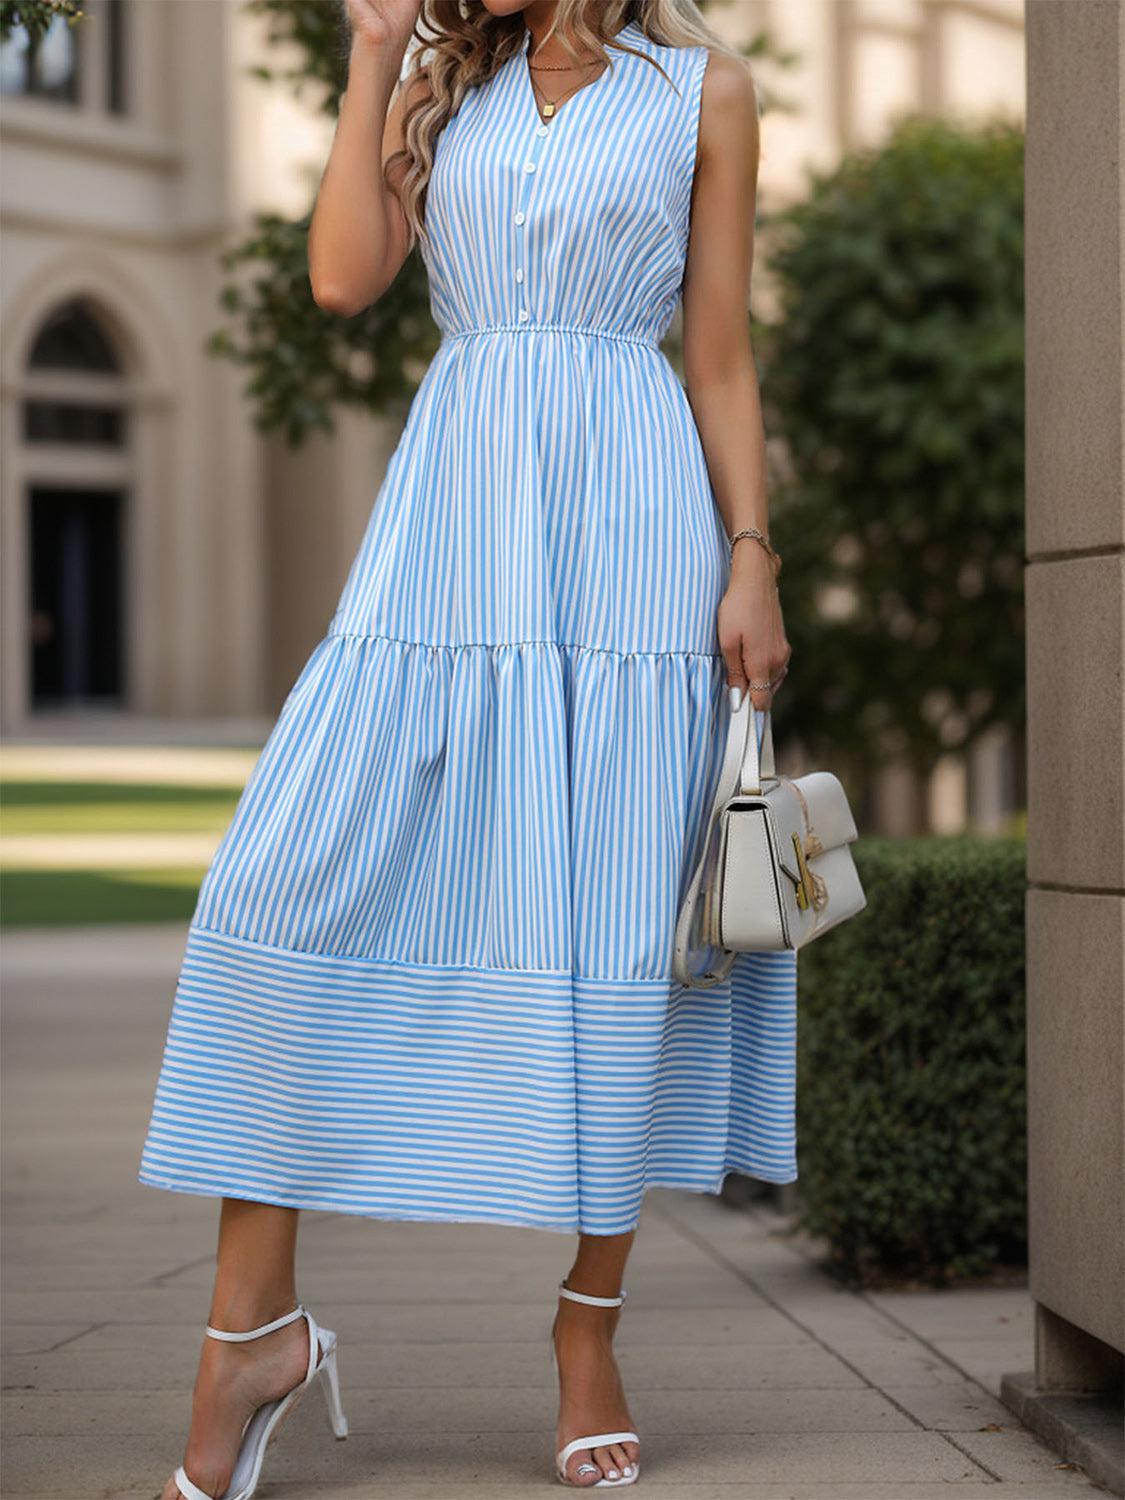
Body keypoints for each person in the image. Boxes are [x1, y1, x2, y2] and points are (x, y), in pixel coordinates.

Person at [144, 2, 796, 1495]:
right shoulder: (446, 78)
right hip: (451, 528)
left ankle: (586, 1332)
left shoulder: (705, 91)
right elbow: (337, 278)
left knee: (619, 936)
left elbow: (715, 345)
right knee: (281, 885)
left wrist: (748, 555)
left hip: (633, 536)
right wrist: (373, 53)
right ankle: (250, 1332)